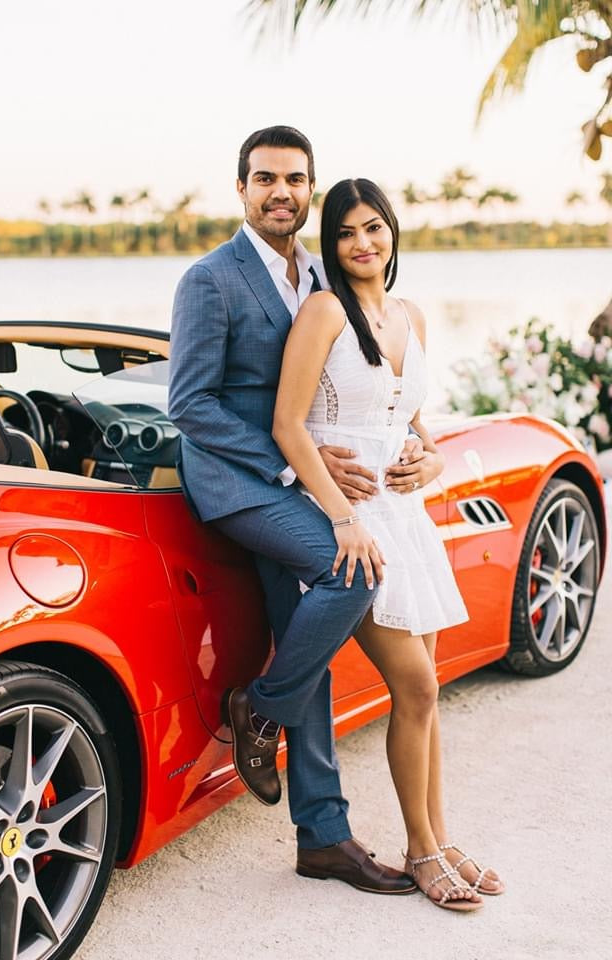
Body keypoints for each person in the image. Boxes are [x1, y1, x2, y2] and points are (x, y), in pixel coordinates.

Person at [169, 126, 439, 894]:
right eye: (265, 179)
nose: (280, 192)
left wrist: (421, 450)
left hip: (308, 477)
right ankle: (260, 708)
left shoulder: (324, 274)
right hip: (239, 482)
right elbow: (190, 404)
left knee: (306, 639)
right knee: (351, 571)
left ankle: (323, 838)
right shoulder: (209, 280)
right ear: (242, 188)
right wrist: (297, 464)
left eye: (294, 179)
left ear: (309, 189)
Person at [272, 177, 505, 911]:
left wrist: (431, 460)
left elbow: (410, 419)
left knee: (426, 692)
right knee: (418, 686)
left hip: (407, 516)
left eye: (373, 227)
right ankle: (423, 851)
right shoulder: (323, 311)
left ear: (392, 231)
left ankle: (438, 837)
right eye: (345, 232)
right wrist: (342, 515)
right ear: (331, 244)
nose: (362, 243)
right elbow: (288, 424)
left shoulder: (411, 315)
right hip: (349, 521)